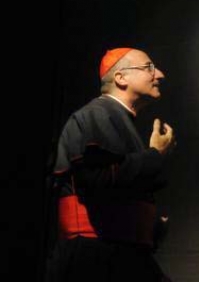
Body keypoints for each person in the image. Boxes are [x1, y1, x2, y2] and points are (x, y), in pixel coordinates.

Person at [47, 47, 176, 282]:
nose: (160, 74)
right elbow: (97, 179)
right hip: (94, 260)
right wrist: (155, 154)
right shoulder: (97, 114)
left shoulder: (117, 117)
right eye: (149, 67)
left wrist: (150, 227)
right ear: (120, 78)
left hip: (119, 254)